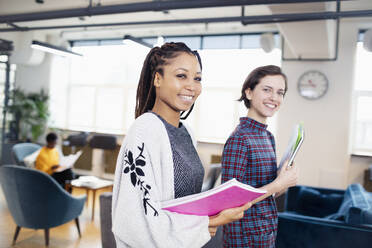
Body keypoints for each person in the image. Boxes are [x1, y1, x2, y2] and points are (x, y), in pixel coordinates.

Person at [112, 42, 252, 248]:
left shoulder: (186, 132)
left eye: (197, 78)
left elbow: (186, 201)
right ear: (157, 79)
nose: (192, 86)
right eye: (181, 76)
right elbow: (134, 221)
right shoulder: (145, 130)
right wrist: (211, 222)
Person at [221, 65, 299, 247]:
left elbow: (269, 191)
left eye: (280, 92)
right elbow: (229, 200)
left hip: (266, 230)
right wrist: (278, 184)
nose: (274, 98)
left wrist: (284, 181)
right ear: (249, 93)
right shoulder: (239, 138)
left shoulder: (267, 136)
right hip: (244, 237)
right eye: (267, 90)